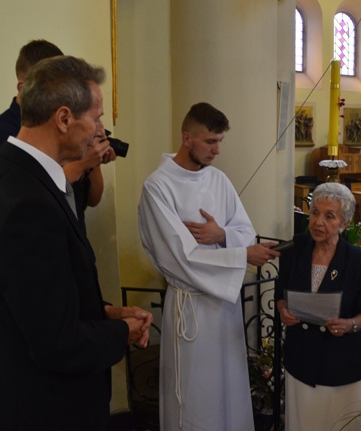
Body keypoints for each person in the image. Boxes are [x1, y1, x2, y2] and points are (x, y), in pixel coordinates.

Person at [0, 56, 153, 431]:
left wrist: (102, 312)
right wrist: (122, 333)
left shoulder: (4, 175)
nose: (100, 130)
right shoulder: (28, 203)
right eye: (96, 118)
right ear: (64, 118)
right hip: (47, 408)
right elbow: (56, 343)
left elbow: (34, 302)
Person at [138, 102, 280, 431]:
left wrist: (223, 235)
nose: (217, 150)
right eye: (210, 142)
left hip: (224, 309)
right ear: (187, 138)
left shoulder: (219, 180)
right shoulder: (157, 187)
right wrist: (242, 255)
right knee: (194, 394)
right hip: (191, 312)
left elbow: (245, 230)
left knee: (228, 390)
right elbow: (179, 256)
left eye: (220, 141)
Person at [0, 39, 116, 233]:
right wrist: (82, 164)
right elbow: (25, 201)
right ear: (24, 87)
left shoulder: (72, 133)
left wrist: (93, 160)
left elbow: (92, 199)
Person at [274, 182, 361, 431]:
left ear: (344, 224)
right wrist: (282, 310)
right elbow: (280, 292)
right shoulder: (295, 251)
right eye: (314, 213)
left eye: (329, 216)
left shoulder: (360, 261)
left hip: (341, 363)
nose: (318, 222)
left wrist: (349, 324)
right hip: (301, 358)